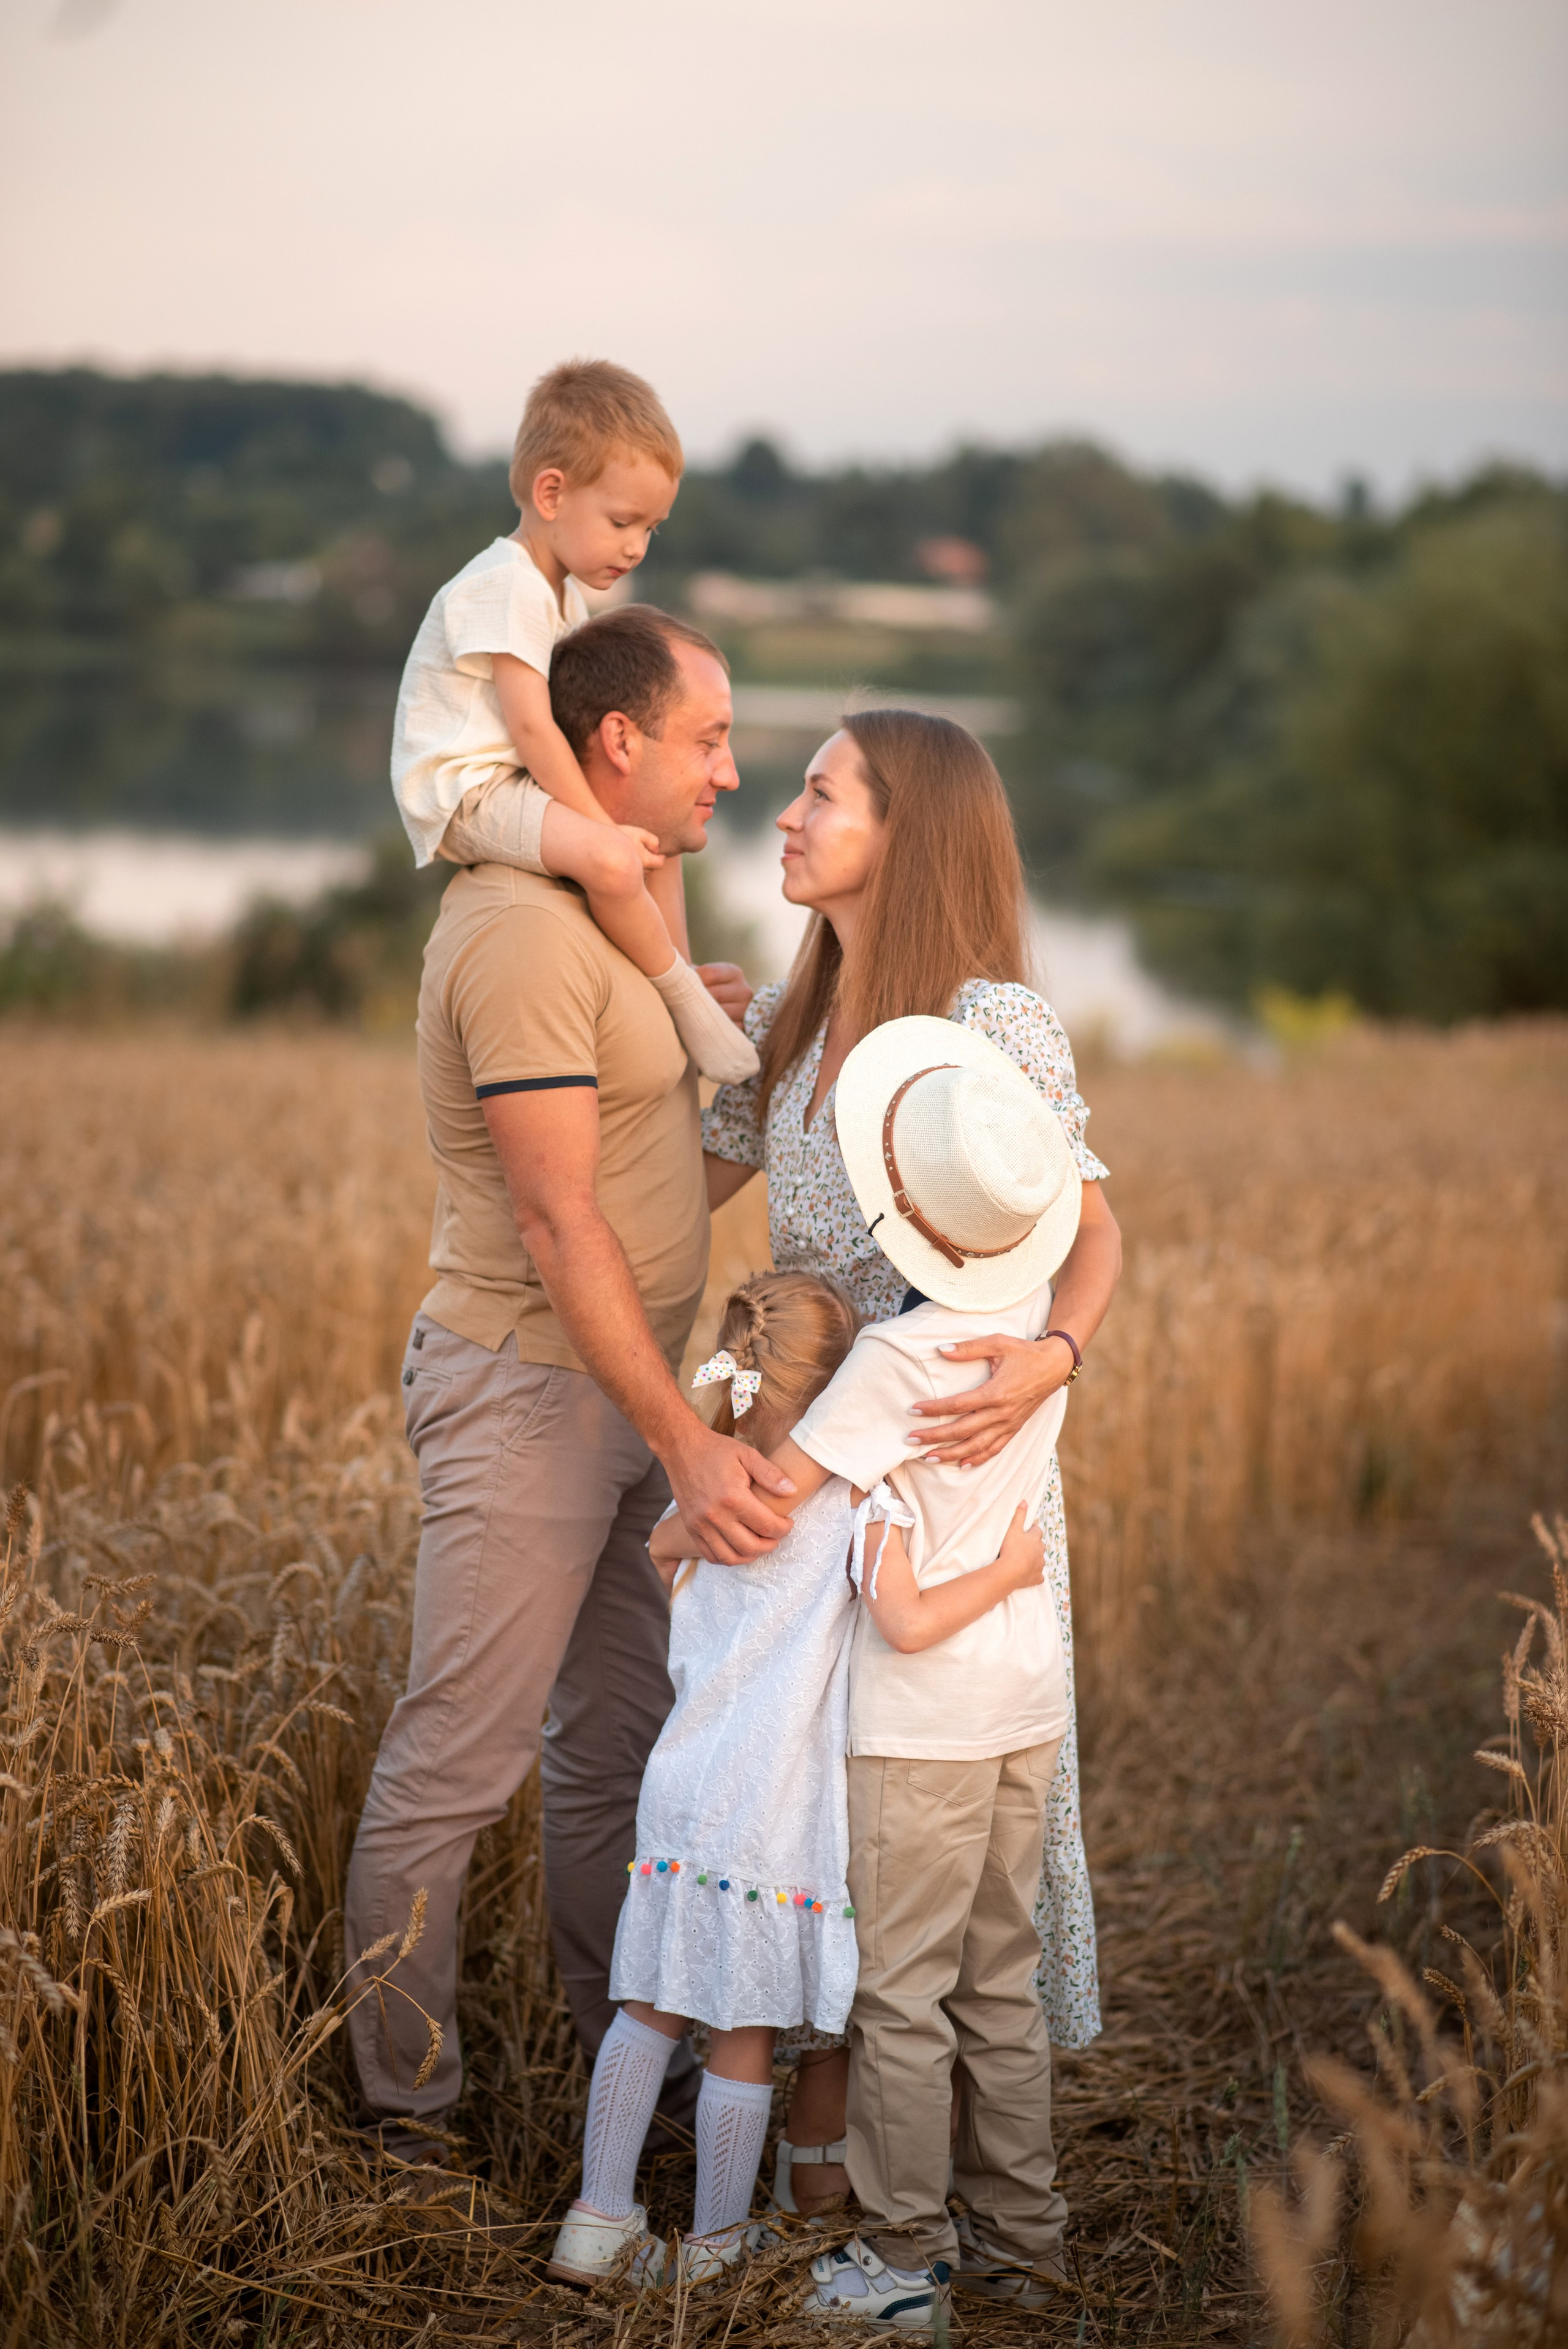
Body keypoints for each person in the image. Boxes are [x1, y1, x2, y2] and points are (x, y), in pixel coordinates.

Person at [344, 605, 794, 2168]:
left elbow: (662, 1177)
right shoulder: (526, 931)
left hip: (622, 1389)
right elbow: (556, 1218)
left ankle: (624, 2053)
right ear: (616, 741)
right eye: (707, 738)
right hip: (531, 1391)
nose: (730, 771)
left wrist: (770, 1049)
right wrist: (685, 1439)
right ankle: (405, 2114)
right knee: (454, 1762)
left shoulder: (612, 920)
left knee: (617, 1747)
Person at [701, 709, 1122, 2206]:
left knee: (920, 1832)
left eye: (822, 794)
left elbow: (1091, 1224)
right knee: (813, 1801)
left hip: (946, 1451)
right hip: (815, 1440)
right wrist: (662, 1016)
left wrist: (1048, 1359)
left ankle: (913, 2205)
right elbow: (681, 1175)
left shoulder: (988, 1018)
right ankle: (823, 2161)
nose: (787, 813)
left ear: (908, 830)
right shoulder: (787, 1019)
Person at [546, 1267, 1055, 2297]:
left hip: (682, 1791)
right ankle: (717, 2244)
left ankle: (597, 2223)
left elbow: (659, 1547)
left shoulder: (708, 1505)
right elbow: (906, 1620)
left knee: (647, 2005)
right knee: (741, 2034)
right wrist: (1009, 1572)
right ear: (841, 1396)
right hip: (772, 1810)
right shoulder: (854, 1508)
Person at [792, 1019, 1088, 2326]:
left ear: (897, 1206)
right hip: (1022, 1707)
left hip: (914, 1730)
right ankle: (1026, 2242)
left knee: (898, 1996)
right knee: (997, 1987)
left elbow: (780, 1493)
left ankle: (905, 2257)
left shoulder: (892, 1361)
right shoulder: (1030, 1337)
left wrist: (679, 1511)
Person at [390, 355, 756, 1084]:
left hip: (510, 781)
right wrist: (595, 826)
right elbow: (533, 730)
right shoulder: (508, 585)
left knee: (648, 842)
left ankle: (670, 976)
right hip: (468, 791)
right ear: (551, 493)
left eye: (652, 529)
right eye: (622, 522)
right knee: (616, 857)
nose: (636, 547)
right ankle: (684, 1000)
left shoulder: (559, 595)